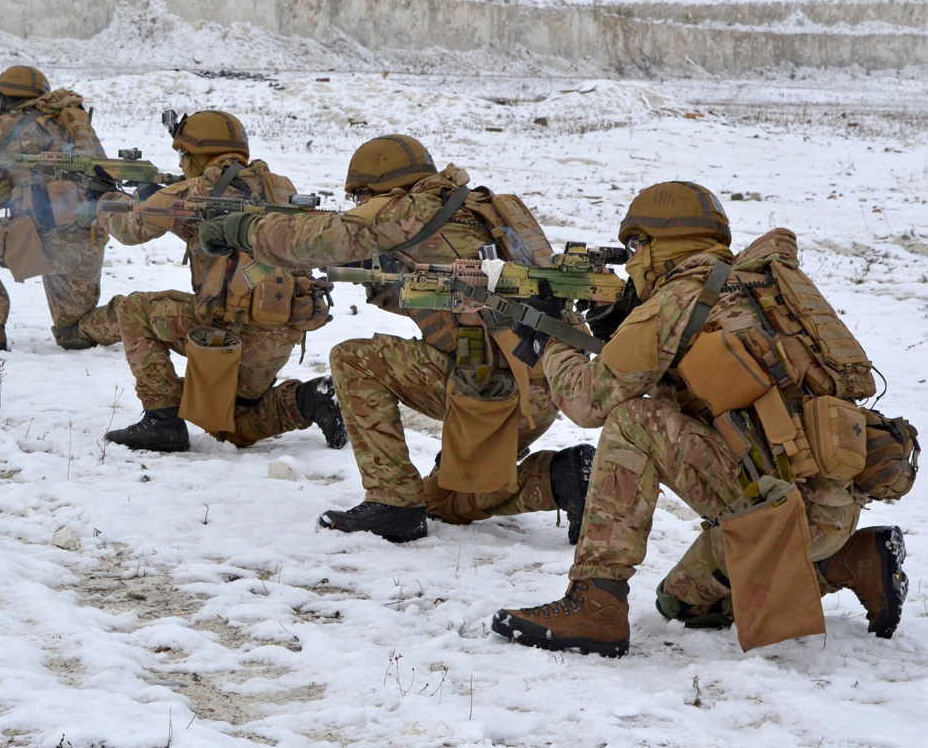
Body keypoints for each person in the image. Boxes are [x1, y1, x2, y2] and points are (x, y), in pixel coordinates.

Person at [491, 181, 909, 657]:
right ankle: (853, 561)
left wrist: (549, 339)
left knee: (635, 420)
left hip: (776, 507)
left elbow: (589, 402)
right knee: (681, 603)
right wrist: (617, 327)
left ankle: (595, 603)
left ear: (655, 243)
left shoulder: (677, 299)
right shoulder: (750, 284)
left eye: (634, 247)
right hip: (826, 508)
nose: (629, 262)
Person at [199, 134, 592, 544]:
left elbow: (307, 241)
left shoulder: (407, 211)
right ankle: (567, 477)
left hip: (491, 391)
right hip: (540, 385)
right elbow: (439, 296)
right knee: (445, 502)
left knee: (354, 359)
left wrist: (241, 228)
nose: (360, 209)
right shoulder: (475, 208)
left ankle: (391, 504)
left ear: (382, 191)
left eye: (362, 199)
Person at [95, 110, 345, 453]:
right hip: (281, 332)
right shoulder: (281, 186)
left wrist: (104, 198)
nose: (181, 165)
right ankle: (309, 399)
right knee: (234, 428)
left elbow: (129, 229)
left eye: (184, 155)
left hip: (231, 331)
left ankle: (162, 420)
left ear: (199, 155)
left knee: (133, 309)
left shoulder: (196, 190)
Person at [0, 65, 121, 351]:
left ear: (5, 98)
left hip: (44, 241)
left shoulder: (12, 122)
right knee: (73, 334)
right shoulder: (71, 120)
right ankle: (135, 318)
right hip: (87, 240)